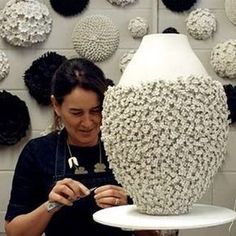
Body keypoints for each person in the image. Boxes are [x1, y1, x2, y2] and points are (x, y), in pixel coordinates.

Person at [4, 58, 133, 236]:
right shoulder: (38, 152)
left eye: (96, 111)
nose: (88, 123)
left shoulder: (126, 149)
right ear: (56, 105)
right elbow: (14, 232)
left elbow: (157, 233)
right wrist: (50, 205)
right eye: (76, 113)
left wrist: (129, 208)